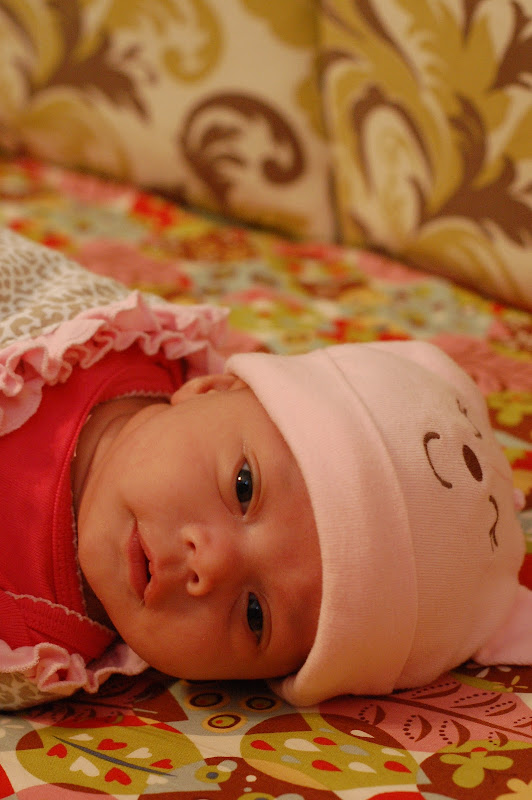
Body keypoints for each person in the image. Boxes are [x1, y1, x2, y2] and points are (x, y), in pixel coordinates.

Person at [0, 228, 531, 712]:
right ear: (211, 390)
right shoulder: (100, 334)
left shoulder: (32, 648)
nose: (210, 564)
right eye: (244, 487)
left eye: (255, 615)